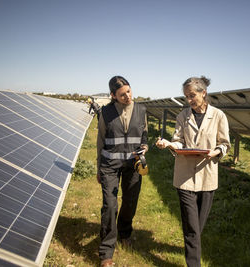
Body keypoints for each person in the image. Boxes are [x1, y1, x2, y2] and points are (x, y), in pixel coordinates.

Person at [156, 76, 230, 267]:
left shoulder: (219, 116)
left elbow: (225, 144)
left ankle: (191, 249)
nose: (189, 100)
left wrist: (216, 152)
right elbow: (179, 140)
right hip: (185, 177)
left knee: (197, 226)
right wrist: (169, 143)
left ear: (203, 93)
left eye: (192, 95)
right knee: (191, 227)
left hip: (207, 177)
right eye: (186, 97)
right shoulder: (182, 116)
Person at [97, 76, 148, 267]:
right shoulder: (106, 112)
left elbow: (144, 135)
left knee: (130, 201)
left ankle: (125, 232)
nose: (127, 96)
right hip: (109, 165)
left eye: (129, 91)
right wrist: (98, 168)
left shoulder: (141, 110)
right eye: (122, 94)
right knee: (110, 206)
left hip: (133, 164)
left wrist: (145, 147)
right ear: (113, 96)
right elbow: (100, 140)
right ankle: (106, 252)